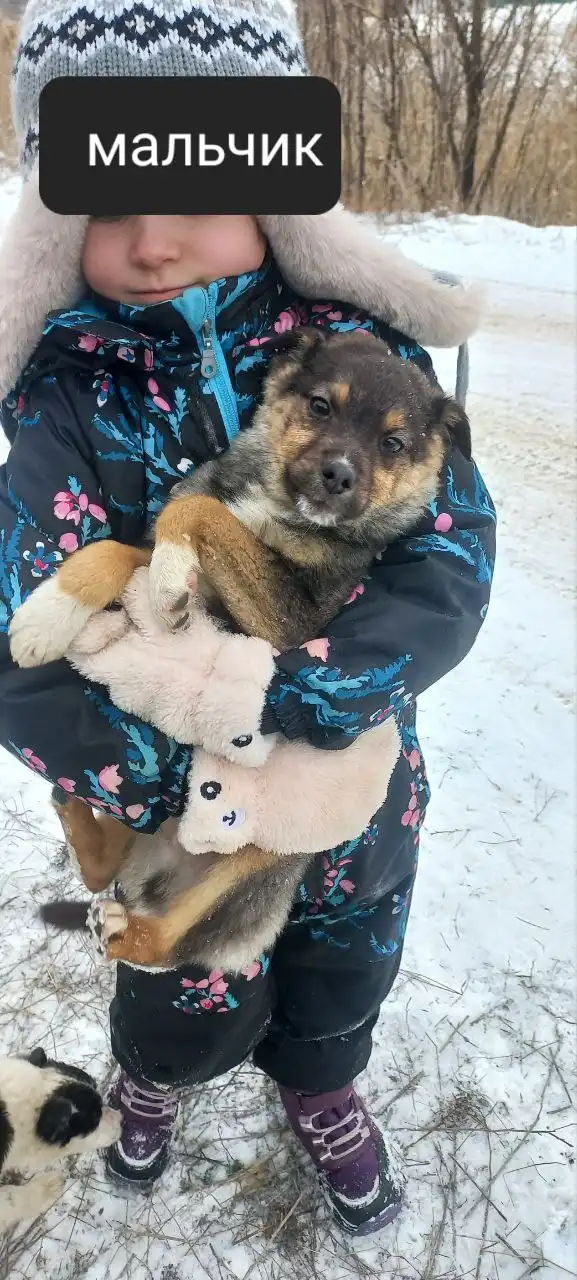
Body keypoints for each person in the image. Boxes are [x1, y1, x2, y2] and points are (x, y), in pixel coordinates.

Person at [0, 0, 496, 1237]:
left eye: (195, 188)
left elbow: (448, 562)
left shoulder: (373, 363)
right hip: (169, 808)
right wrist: (164, 767)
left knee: (342, 959)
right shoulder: (65, 400)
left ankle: (323, 1084)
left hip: (352, 786)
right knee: (177, 978)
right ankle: (153, 1081)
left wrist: (296, 708)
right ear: (55, 229)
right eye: (110, 204)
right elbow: (16, 630)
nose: (154, 239)